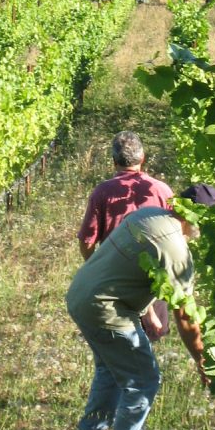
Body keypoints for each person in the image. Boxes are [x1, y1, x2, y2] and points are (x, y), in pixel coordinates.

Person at [66, 183, 215, 430]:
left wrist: (147, 310)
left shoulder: (147, 215)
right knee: (143, 379)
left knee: (110, 371)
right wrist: (203, 362)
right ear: (198, 217)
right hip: (105, 309)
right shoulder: (176, 250)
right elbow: (185, 317)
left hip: (81, 295)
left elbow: (130, 262)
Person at [78, 131, 174, 340]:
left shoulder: (103, 192)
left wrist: (95, 265)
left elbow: (87, 240)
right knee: (148, 347)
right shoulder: (162, 191)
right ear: (143, 158)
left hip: (115, 279)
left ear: (114, 161)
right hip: (153, 281)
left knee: (118, 346)